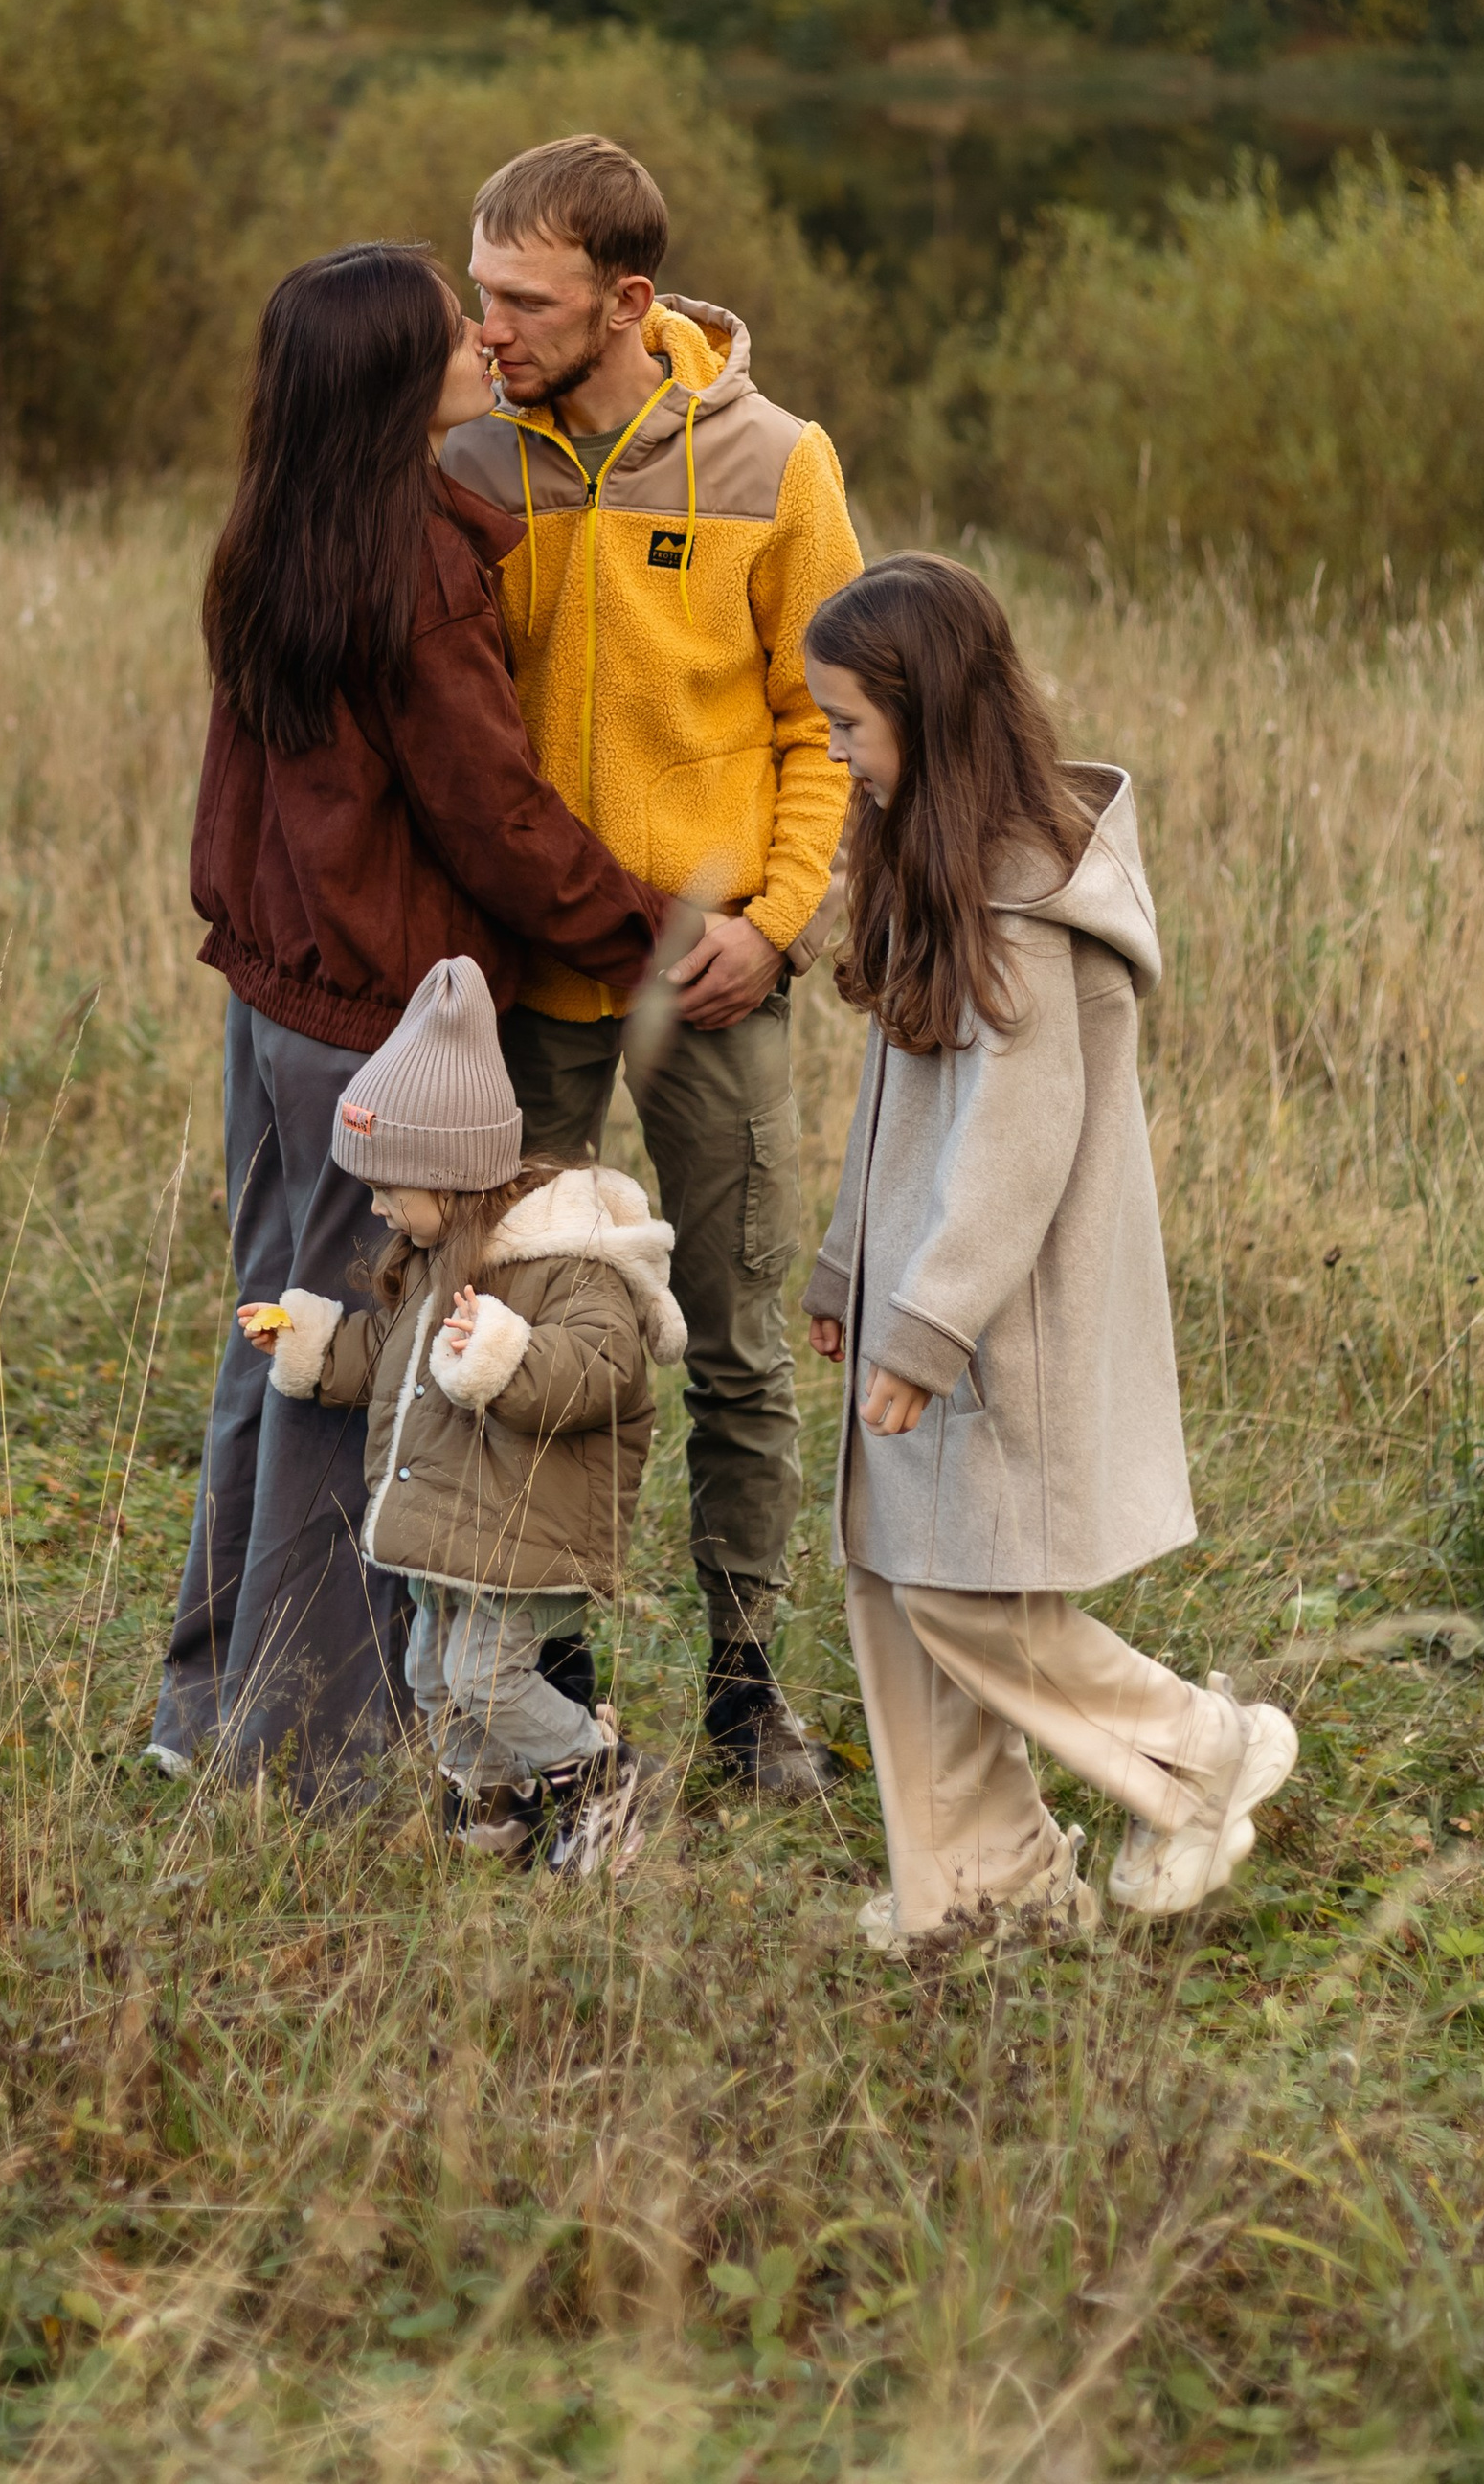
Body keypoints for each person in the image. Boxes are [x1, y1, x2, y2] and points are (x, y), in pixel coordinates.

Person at [151, 241, 680, 1797]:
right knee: (355, 1371)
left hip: (273, 1003)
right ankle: (305, 1750)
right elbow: (494, 816)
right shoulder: (414, 563)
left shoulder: (280, 530)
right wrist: (652, 933)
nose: (479, 333)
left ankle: (208, 1706)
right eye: (448, 326)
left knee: (276, 1344)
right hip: (381, 1027)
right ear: (392, 381)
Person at [439, 134, 863, 1795]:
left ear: (628, 301)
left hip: (715, 983)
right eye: (480, 296)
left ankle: (749, 1701)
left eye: (524, 303)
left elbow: (824, 718)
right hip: (534, 974)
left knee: (738, 1344)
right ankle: (546, 1694)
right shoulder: (475, 460)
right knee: (528, 1327)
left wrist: (779, 922)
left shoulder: (782, 461)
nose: (490, 331)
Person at [798, 553, 1299, 1952]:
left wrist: (928, 1327)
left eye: (849, 723)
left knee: (967, 1590)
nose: (836, 753)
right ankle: (981, 1889)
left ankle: (1205, 1753)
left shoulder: (1027, 895)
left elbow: (1018, 1146)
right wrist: (849, 1268)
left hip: (997, 1317)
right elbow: (899, 1108)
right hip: (922, 1290)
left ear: (926, 706)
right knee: (900, 1585)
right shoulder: (939, 859)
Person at [244, 954, 684, 1873]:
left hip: (521, 1528)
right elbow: (395, 1358)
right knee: (434, 1674)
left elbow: (602, 1369)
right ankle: (495, 1813)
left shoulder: (567, 1257)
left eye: (389, 1188)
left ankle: (604, 1778)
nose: (376, 1207)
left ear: (450, 1173)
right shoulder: (435, 1251)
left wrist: (502, 1354)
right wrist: (315, 1344)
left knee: (487, 1676)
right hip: (454, 1528)